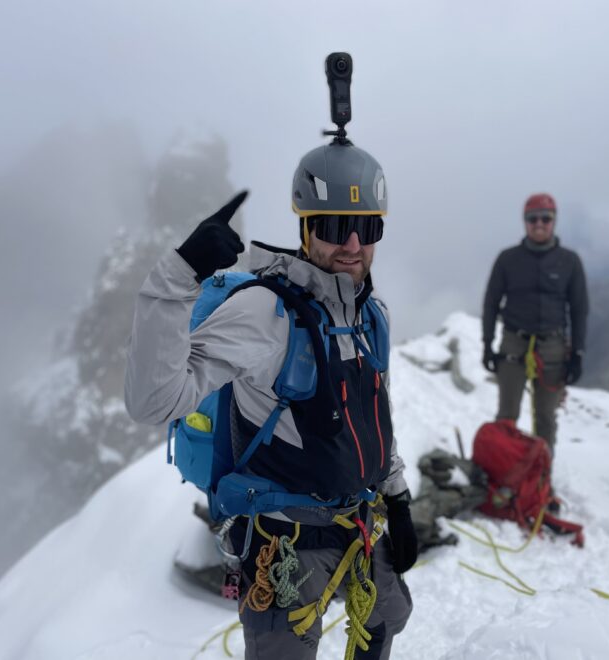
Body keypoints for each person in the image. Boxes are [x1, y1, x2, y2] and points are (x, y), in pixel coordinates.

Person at [125, 140, 415, 660]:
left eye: (367, 227)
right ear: (305, 229)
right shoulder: (264, 313)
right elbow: (154, 401)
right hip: (285, 545)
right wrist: (177, 276)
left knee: (386, 618)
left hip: (359, 525)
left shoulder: (373, 316)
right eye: (334, 227)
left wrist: (397, 498)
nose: (353, 244)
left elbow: (377, 412)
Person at [481, 193, 589, 455]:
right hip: (513, 343)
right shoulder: (508, 259)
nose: (539, 224)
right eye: (533, 219)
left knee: (546, 418)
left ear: (554, 221)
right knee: (507, 415)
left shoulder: (569, 262)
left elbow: (579, 309)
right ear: (525, 221)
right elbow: (491, 303)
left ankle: (541, 473)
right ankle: (504, 471)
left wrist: (577, 353)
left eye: (545, 218)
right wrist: (487, 344)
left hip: (553, 347)